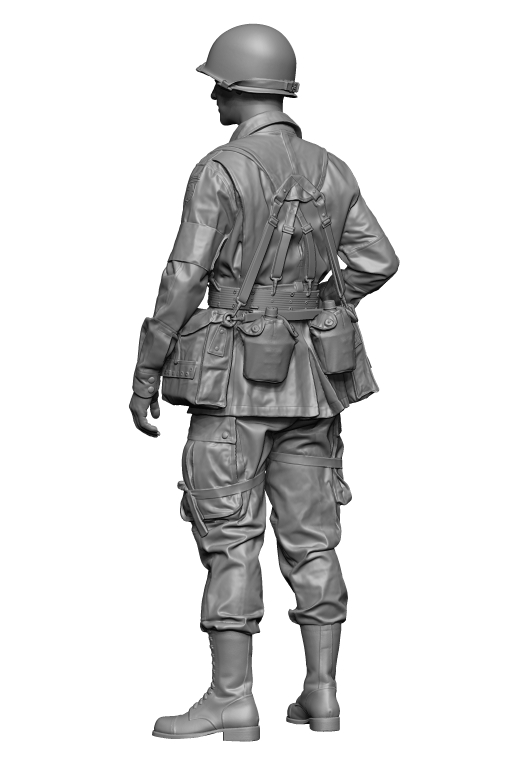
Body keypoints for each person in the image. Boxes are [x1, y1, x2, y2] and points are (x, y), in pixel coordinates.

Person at [129, 23, 399, 742]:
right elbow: (378, 260)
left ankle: (232, 699)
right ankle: (321, 696)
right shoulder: (331, 168)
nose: (213, 94)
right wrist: (321, 299)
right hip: (313, 381)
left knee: (230, 538)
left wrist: (147, 366)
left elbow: (183, 277)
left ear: (238, 87)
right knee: (314, 541)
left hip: (233, 388)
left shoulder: (220, 169)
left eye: (218, 81)